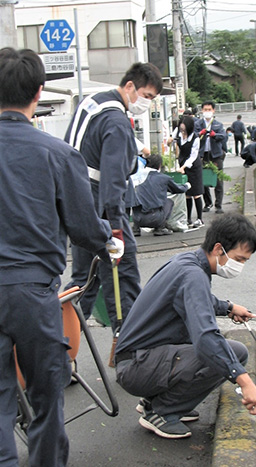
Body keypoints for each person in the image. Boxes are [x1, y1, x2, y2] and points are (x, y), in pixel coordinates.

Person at [0, 47, 123, 467]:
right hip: (33, 294)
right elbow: (86, 230)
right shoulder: (57, 154)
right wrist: (109, 237)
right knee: (46, 394)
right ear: (38, 92)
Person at [115, 214, 256, 439]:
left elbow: (198, 300)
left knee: (221, 350)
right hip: (137, 366)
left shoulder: (187, 262)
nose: (240, 266)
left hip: (138, 358)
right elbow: (206, 338)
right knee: (230, 353)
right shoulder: (193, 275)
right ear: (218, 248)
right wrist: (245, 381)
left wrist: (228, 307)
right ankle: (162, 411)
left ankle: (160, 400)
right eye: (239, 258)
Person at [64, 62, 163, 333]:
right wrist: (117, 229)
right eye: (147, 95)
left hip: (75, 199)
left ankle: (57, 346)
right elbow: (113, 182)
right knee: (123, 266)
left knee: (83, 279)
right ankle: (130, 343)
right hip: (98, 204)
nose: (148, 103)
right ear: (130, 86)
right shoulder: (117, 121)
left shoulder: (92, 102)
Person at [129, 154, 191, 236]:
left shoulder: (137, 176)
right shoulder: (163, 178)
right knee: (169, 202)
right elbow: (178, 189)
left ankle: (136, 229)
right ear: (159, 166)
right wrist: (187, 185)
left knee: (140, 200)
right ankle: (160, 228)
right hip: (154, 218)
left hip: (137, 218)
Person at [195, 101, 226, 214]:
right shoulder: (198, 124)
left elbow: (223, 136)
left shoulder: (218, 124)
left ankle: (219, 205)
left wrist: (215, 135)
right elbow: (192, 135)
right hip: (202, 155)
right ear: (202, 110)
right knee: (203, 179)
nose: (207, 112)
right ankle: (207, 203)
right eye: (205, 109)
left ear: (213, 110)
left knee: (218, 179)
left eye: (209, 109)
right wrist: (200, 134)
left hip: (215, 154)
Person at [176, 116, 204, 228]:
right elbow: (173, 139)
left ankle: (200, 219)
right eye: (181, 129)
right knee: (187, 194)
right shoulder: (179, 134)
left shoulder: (195, 138)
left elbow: (193, 156)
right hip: (182, 164)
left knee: (196, 193)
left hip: (193, 167)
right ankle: (188, 219)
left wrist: (184, 166)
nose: (182, 131)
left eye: (184, 129)